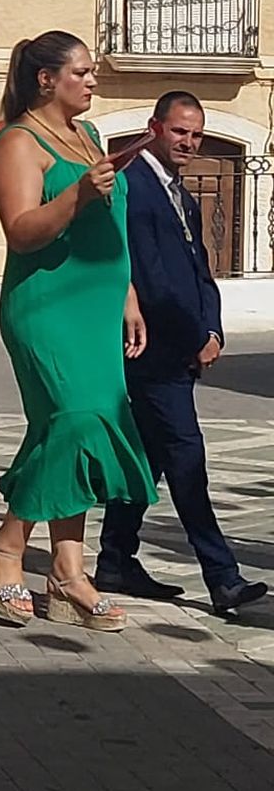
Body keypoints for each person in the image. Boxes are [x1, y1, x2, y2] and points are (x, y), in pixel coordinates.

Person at [0, 31, 156, 632]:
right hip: (47, 307)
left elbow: (112, 225)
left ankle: (67, 573)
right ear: (46, 79)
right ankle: (5, 548)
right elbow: (23, 231)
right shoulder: (15, 141)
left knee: (71, 430)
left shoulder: (89, 136)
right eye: (81, 71)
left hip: (97, 306)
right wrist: (77, 194)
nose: (93, 80)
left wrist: (127, 293)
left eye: (93, 70)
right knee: (77, 423)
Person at [97, 92, 269, 616]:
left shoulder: (183, 195)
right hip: (154, 352)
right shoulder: (134, 188)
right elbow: (151, 278)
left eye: (196, 135)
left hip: (183, 347)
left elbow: (199, 271)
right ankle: (223, 579)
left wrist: (213, 327)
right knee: (188, 462)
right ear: (154, 128)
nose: (189, 143)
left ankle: (115, 560)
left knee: (147, 462)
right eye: (179, 132)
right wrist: (195, 334)